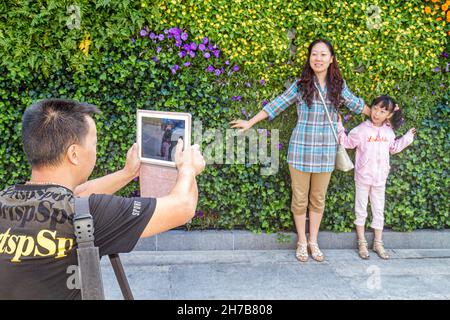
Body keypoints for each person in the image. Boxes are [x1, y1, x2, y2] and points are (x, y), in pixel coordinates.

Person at [0, 98, 206, 299]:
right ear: (74, 154)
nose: (95, 151)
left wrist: (127, 173)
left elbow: (74, 194)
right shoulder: (89, 215)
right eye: (94, 144)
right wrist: (188, 169)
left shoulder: (5, 201)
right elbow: (183, 207)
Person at [231, 39, 371, 262]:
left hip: (326, 152)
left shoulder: (338, 86)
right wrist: (250, 122)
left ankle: (313, 241)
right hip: (300, 151)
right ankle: (301, 241)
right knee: (299, 199)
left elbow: (357, 104)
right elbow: (277, 104)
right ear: (309, 58)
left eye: (323, 54)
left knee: (318, 199)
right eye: (314, 54)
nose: (318, 58)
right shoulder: (301, 85)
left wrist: (382, 115)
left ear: (331, 59)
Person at [337, 95, 416, 260]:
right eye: (375, 108)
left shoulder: (388, 131)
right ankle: (362, 242)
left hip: (380, 178)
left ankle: (378, 243)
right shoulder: (361, 130)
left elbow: (393, 148)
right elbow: (347, 142)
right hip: (363, 177)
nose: (377, 113)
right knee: (360, 210)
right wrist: (339, 126)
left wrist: (407, 137)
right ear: (370, 108)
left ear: (388, 114)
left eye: (383, 111)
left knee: (378, 210)